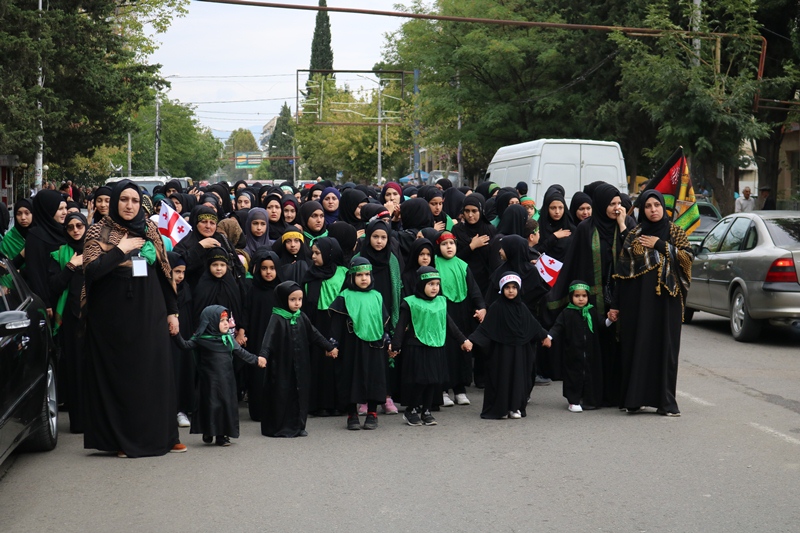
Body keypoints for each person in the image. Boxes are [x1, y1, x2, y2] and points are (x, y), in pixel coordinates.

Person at [83, 180, 185, 457]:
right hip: (112, 316)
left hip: (150, 309)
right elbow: (92, 271)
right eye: (124, 200)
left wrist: (172, 311)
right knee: (123, 375)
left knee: (155, 371)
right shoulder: (99, 229)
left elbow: (165, 271)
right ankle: (122, 440)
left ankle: (164, 435)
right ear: (115, 201)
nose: (130, 205)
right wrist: (121, 249)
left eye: (135, 201)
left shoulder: (150, 228)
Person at [609, 190, 693, 417]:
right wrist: (615, 304)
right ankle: (634, 399)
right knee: (636, 346)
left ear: (663, 208)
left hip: (667, 303)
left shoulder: (675, 232)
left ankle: (666, 402)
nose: (653, 209)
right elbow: (622, 271)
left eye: (657, 205)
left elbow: (687, 258)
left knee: (665, 349)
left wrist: (659, 244)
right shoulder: (634, 233)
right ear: (642, 210)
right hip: (636, 303)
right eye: (648, 206)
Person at [172, 305, 266, 446]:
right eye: (221, 321)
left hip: (226, 381)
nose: (226, 323)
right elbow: (185, 345)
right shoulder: (201, 339)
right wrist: (175, 335)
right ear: (210, 322)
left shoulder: (228, 339)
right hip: (208, 382)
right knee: (210, 405)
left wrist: (256, 359)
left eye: (226, 320)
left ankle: (222, 435)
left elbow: (241, 352)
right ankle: (208, 431)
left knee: (225, 406)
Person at [390, 266, 471, 426]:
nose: (434, 288)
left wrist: (462, 339)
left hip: (437, 346)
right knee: (420, 380)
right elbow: (401, 325)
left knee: (433, 380)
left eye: (437, 284)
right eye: (430, 284)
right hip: (416, 346)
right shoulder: (411, 303)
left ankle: (426, 410)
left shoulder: (441, 302)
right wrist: (395, 345)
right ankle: (411, 409)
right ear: (421, 285)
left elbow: (450, 324)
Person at [259, 281, 337, 437]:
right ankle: (279, 426)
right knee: (282, 393)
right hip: (281, 364)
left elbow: (314, 334)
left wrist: (329, 347)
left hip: (301, 362)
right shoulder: (277, 318)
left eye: (300, 299)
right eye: (292, 299)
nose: (297, 303)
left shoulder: (301, 317)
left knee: (300, 392)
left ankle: (299, 424)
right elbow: (268, 339)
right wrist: (263, 355)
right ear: (283, 299)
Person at [469, 273, 549, 419]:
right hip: (501, 353)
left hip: (519, 351)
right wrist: (471, 341)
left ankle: (515, 407)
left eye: (514, 287)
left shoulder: (522, 307)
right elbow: (485, 329)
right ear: (501, 289)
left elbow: (533, 325)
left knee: (518, 378)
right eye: (507, 287)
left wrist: (545, 336)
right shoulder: (496, 307)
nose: (511, 291)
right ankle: (501, 409)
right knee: (501, 378)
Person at [329, 257, 390, 430]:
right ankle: (352, 414)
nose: (364, 278)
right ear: (351, 277)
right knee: (351, 378)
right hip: (351, 346)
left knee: (374, 378)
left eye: (367, 275)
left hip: (374, 345)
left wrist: (387, 340)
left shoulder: (377, 296)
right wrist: (333, 344)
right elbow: (336, 325)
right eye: (359, 275)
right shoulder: (344, 297)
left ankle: (372, 413)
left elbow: (384, 321)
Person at [435, 231, 485, 407]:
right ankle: (443, 389)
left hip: (462, 312)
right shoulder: (435, 265)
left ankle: (460, 389)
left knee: (462, 350)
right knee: (445, 351)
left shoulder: (462, 265)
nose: (449, 247)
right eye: (444, 244)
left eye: (452, 244)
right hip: (443, 311)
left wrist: (481, 307)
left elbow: (474, 290)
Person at [48, 212, 88, 433]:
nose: (75, 230)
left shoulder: (97, 250)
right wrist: (71, 266)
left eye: (79, 225)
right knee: (75, 369)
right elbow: (54, 285)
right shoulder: (59, 254)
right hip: (71, 319)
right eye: (71, 227)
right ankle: (79, 422)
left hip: (96, 317)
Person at [303, 237, 347, 417]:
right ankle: (318, 404)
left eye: (317, 253)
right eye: (312, 253)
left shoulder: (344, 272)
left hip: (338, 320)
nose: (313, 256)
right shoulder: (310, 274)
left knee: (337, 363)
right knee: (318, 363)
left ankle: (339, 404)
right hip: (317, 321)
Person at [547, 281, 603, 413]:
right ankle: (573, 401)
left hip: (590, 352)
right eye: (577, 296)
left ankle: (589, 400)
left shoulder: (591, 311)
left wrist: (610, 320)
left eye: (584, 295)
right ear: (571, 297)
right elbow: (557, 327)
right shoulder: (567, 313)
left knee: (589, 375)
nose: (581, 299)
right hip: (573, 353)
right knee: (573, 376)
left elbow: (602, 324)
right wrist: (549, 337)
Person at [243, 248, 282, 422]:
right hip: (257, 336)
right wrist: (243, 331)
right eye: (264, 268)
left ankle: (277, 409)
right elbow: (246, 312)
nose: (268, 272)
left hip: (278, 338)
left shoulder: (282, 291)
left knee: (277, 373)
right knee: (258, 373)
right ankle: (258, 410)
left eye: (272, 268)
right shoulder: (253, 289)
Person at [167, 252, 195, 428]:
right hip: (165, 339)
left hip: (183, 338)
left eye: (183, 272)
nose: (180, 276)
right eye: (176, 271)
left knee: (182, 372)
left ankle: (180, 410)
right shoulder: (161, 291)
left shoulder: (187, 290)